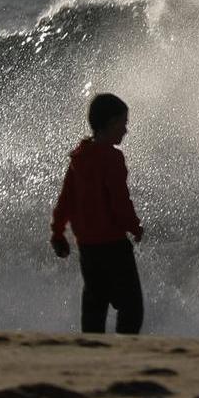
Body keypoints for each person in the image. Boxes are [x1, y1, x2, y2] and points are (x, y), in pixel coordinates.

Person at [50, 93, 145, 334]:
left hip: (88, 249)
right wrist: (134, 227)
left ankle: (92, 351)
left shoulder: (79, 158)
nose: (126, 130)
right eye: (123, 124)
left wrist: (58, 233)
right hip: (113, 246)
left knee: (95, 305)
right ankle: (124, 353)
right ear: (112, 123)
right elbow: (119, 202)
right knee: (131, 308)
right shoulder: (112, 158)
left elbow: (66, 200)